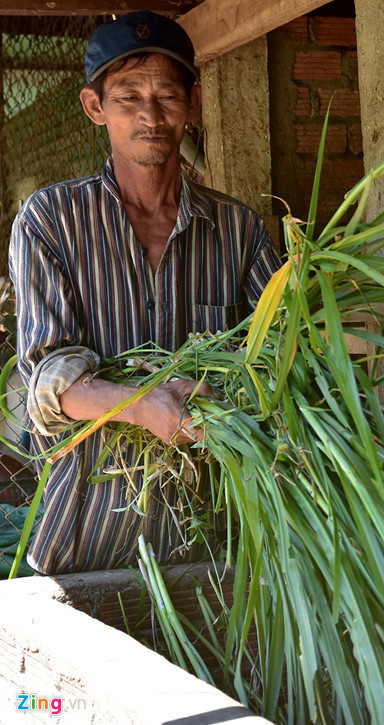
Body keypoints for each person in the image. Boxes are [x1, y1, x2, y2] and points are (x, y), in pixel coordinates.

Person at [8, 11, 281, 574]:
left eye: (166, 95)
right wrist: (143, 405)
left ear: (193, 105)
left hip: (214, 530)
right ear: (95, 108)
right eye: (128, 94)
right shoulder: (51, 221)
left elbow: (276, 360)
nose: (149, 114)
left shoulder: (240, 231)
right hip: (88, 531)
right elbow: (47, 385)